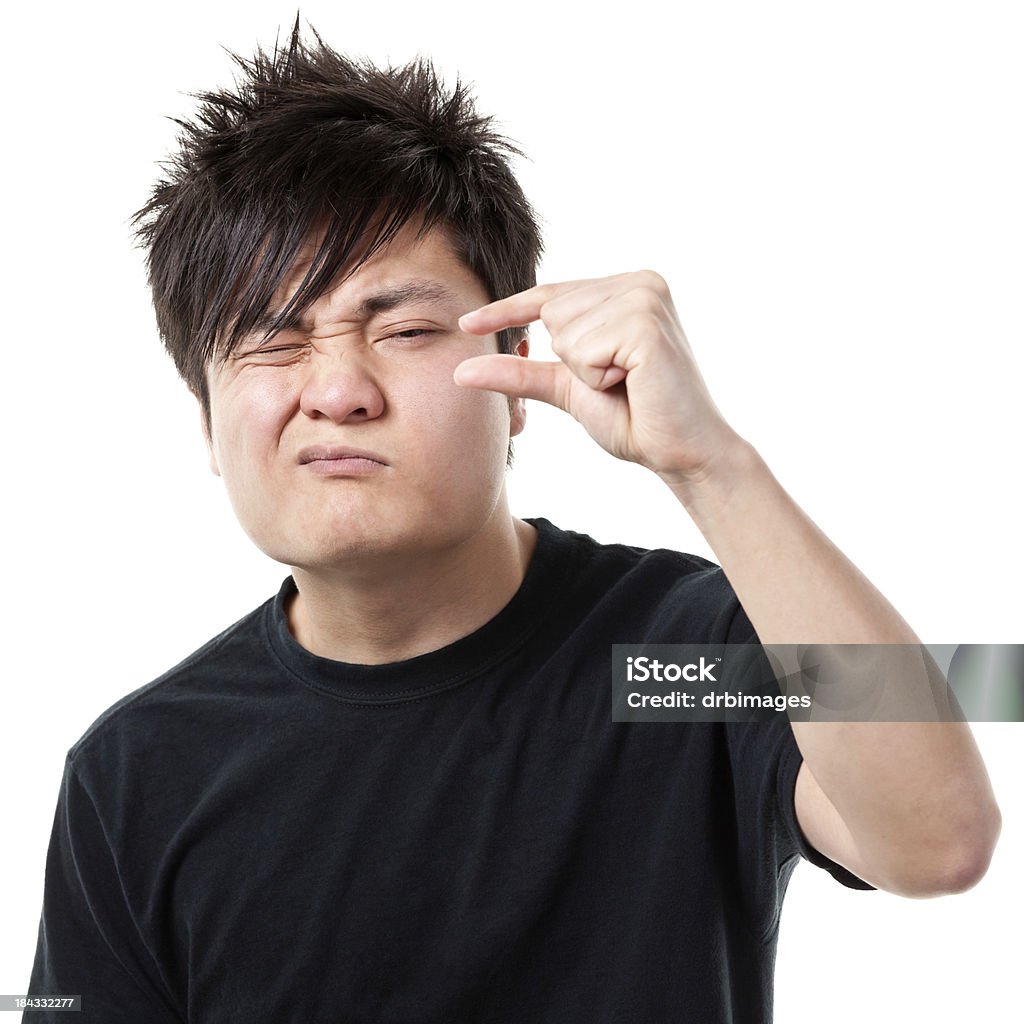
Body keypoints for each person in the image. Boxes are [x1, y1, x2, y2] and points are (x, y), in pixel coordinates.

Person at [25, 17, 1001, 1023]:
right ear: (207, 418)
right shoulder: (137, 770)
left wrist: (710, 463)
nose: (338, 390)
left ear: (518, 381)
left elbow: (939, 840)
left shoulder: (672, 654)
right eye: (274, 345)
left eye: (402, 329)